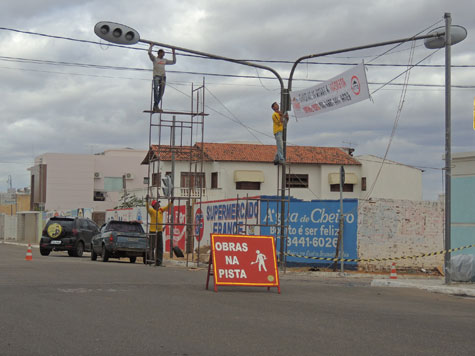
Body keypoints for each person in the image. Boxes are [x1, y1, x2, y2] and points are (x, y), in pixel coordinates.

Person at [148, 45, 176, 112]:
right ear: (159, 53)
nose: (164, 54)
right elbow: (149, 53)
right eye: (163, 53)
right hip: (156, 76)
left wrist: (173, 52)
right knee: (155, 89)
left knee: (161, 92)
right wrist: (151, 46)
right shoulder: (154, 59)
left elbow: (173, 62)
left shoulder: (164, 60)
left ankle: (155, 105)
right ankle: (156, 106)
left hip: (163, 77)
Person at [146, 198, 172, 266]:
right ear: (154, 205)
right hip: (153, 231)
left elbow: (167, 207)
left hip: (159, 231)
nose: (159, 204)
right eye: (157, 203)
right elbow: (147, 208)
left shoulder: (161, 210)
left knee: (160, 247)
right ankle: (151, 260)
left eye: (159, 203)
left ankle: (159, 261)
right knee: (152, 247)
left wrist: (171, 202)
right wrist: (146, 201)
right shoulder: (152, 211)